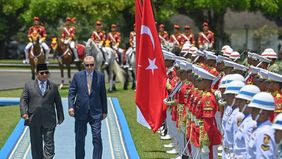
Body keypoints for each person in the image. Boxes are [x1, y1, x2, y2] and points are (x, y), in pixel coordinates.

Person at [19, 63, 64, 159]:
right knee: (36, 145)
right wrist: (24, 112)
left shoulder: (53, 86)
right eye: (42, 73)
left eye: (46, 73)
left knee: (49, 144)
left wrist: (60, 116)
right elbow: (23, 99)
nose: (44, 75)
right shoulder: (28, 85)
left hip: (49, 120)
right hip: (34, 120)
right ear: (37, 74)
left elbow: (58, 102)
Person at [68, 56, 107, 159]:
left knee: (97, 137)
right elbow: (72, 93)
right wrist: (71, 107)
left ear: (95, 64)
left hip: (96, 112)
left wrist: (105, 111)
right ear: (83, 65)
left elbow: (103, 94)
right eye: (87, 65)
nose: (89, 67)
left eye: (91, 65)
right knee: (80, 139)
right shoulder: (77, 76)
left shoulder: (100, 76)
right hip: (80, 111)